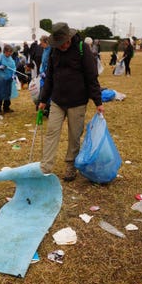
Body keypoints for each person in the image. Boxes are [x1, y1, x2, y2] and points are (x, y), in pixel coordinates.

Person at [38, 22, 104, 182]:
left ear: (69, 39)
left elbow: (91, 77)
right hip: (57, 100)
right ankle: (45, 168)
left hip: (78, 101)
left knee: (74, 136)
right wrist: (43, 99)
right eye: (58, 44)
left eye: (63, 43)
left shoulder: (83, 49)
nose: (61, 47)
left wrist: (98, 101)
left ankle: (70, 167)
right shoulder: (54, 51)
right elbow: (49, 77)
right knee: (51, 132)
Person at [0, 44, 17, 115]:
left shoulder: (10, 59)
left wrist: (13, 74)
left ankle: (6, 107)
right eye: (9, 52)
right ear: (5, 51)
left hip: (8, 79)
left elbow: (13, 67)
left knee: (7, 93)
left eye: (11, 52)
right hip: (0, 79)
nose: (10, 54)